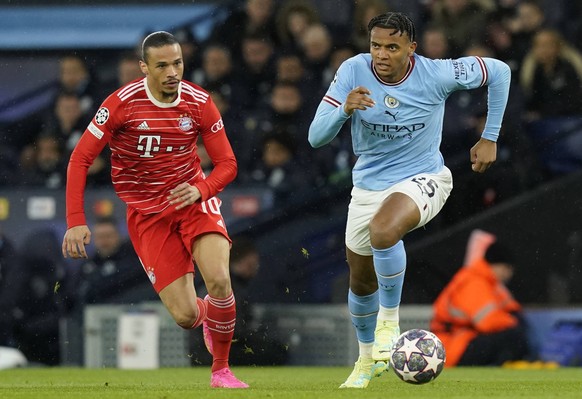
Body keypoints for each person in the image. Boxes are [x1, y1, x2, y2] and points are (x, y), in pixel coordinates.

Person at [308, 12, 510, 388]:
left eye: (392, 47)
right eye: (376, 46)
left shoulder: (436, 73)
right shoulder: (353, 71)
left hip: (425, 177)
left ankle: (390, 323)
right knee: (361, 280)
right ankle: (367, 360)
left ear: (411, 48)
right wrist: (343, 109)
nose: (381, 54)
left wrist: (490, 136)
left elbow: (499, 71)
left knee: (384, 231)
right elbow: (315, 138)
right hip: (368, 185)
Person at [61, 31, 248, 389]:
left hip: (194, 200)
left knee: (220, 279)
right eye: (162, 65)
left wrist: (201, 189)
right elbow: (80, 159)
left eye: (177, 63)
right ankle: (212, 315)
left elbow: (227, 163)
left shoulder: (199, 101)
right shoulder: (120, 104)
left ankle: (221, 370)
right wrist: (75, 221)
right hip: (148, 214)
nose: (172, 72)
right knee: (185, 315)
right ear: (143, 67)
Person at [430, 232, 529, 366]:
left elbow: (510, 307)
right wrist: (512, 321)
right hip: (452, 347)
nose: (509, 275)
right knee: (512, 337)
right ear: (499, 266)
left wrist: (514, 318)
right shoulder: (474, 281)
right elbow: (487, 321)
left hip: (459, 341)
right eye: (507, 269)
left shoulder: (484, 280)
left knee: (512, 335)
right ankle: (501, 370)